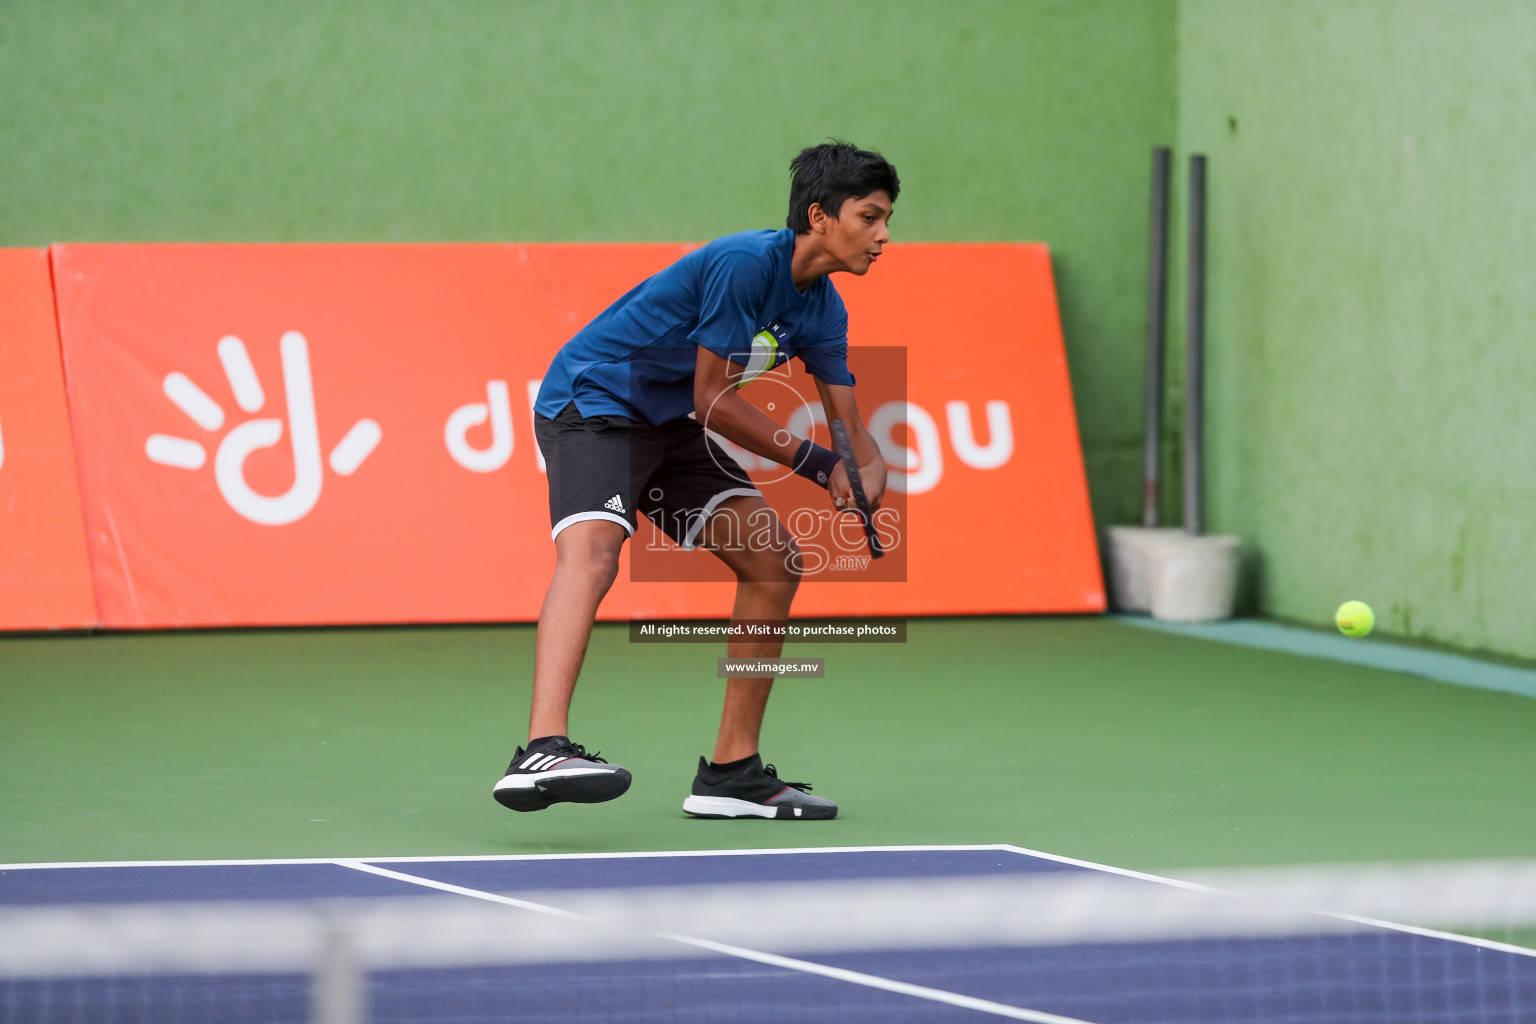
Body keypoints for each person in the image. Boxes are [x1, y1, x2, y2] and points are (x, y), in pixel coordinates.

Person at [493, 141, 898, 820]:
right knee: (593, 553)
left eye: (888, 219)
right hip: (595, 400)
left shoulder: (824, 309)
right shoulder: (746, 263)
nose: (884, 236)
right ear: (821, 217)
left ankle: (733, 773)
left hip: (668, 420)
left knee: (774, 560)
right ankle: (541, 747)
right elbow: (715, 397)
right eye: (871, 216)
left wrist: (868, 466)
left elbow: (848, 425)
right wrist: (819, 465)